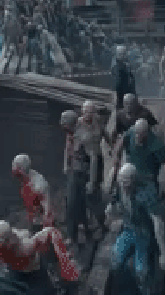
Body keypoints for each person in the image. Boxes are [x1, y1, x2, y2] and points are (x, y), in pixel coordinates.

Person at [105, 164, 165, 295]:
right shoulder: (119, 189)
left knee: (141, 270)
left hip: (143, 232)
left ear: (134, 180)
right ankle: (122, 287)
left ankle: (144, 291)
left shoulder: (145, 193)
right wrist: (111, 212)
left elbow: (157, 221)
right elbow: (114, 204)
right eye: (121, 181)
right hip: (128, 228)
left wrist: (164, 252)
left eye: (127, 182)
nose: (124, 185)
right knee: (115, 259)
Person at [0, 221, 79, 295]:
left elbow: (50, 231)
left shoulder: (26, 248)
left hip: (32, 271)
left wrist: (63, 260)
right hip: (14, 270)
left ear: (10, 242)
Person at [66, 101, 108, 248]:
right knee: (72, 201)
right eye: (85, 111)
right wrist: (66, 164)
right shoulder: (75, 125)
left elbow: (94, 157)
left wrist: (92, 180)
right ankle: (74, 232)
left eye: (90, 112)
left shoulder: (94, 128)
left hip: (91, 166)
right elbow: (68, 144)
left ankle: (100, 224)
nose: (87, 114)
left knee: (92, 198)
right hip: (77, 167)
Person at [108, 118, 165, 196]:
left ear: (146, 133)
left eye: (140, 134)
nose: (137, 136)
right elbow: (122, 141)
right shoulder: (132, 131)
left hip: (148, 177)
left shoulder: (157, 144)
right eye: (136, 133)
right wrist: (116, 156)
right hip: (131, 173)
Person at [12, 154, 54, 232]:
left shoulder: (38, 185)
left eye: (15, 166)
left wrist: (46, 226)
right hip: (33, 220)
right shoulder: (25, 180)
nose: (13, 169)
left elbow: (47, 209)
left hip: (41, 224)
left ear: (21, 169)